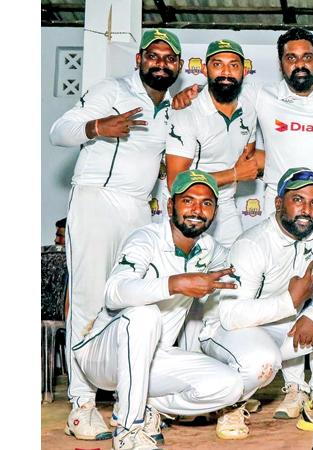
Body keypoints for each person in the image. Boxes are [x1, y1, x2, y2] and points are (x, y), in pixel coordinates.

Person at [172, 29, 313, 416]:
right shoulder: (262, 95)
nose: (300, 64)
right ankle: (292, 388)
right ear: (281, 64)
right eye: (291, 58)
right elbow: (221, 92)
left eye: (306, 56)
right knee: (278, 286)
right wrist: (186, 95)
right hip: (283, 205)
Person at [49, 29, 183, 442]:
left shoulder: (172, 110)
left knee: (134, 299)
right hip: (96, 198)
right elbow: (59, 131)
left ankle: (133, 402)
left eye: (169, 58)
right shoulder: (111, 89)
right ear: (140, 58)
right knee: (89, 297)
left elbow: (168, 168)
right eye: (154, 56)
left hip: (139, 208)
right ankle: (82, 404)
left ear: (177, 66)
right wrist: (97, 127)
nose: (161, 63)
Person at [70, 170, 243, 450]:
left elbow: (242, 271)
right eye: (188, 201)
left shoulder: (209, 250)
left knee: (229, 385)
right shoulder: (145, 239)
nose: (197, 210)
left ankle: (147, 404)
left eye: (207, 203)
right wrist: (175, 284)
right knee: (144, 314)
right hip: (102, 355)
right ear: (170, 205)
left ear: (215, 211)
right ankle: (129, 430)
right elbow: (115, 293)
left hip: (153, 358)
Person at [199, 167, 313, 437]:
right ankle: (231, 406)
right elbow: (230, 315)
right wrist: (290, 302)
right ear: (278, 203)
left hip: (282, 328)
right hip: (228, 332)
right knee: (264, 361)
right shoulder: (252, 244)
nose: (307, 210)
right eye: (298, 200)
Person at [165, 39, 263, 248]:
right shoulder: (187, 114)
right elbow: (175, 182)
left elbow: (247, 156)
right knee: (186, 274)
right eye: (217, 64)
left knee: (233, 272)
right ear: (204, 69)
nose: (226, 72)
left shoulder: (248, 108)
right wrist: (234, 175)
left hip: (225, 205)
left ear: (244, 70)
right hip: (189, 205)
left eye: (233, 65)